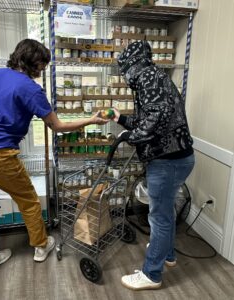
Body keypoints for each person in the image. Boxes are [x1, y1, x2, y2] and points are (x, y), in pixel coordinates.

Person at [0, 38, 108, 277]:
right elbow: (57, 126)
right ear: (35, 62)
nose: (42, 70)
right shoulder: (30, 88)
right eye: (42, 65)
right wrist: (91, 120)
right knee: (28, 199)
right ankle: (41, 246)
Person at [113, 40, 195, 290]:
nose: (124, 75)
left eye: (124, 68)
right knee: (165, 212)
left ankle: (151, 274)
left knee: (158, 217)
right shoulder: (157, 76)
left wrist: (130, 136)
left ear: (131, 64)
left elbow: (155, 118)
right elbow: (149, 115)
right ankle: (167, 254)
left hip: (166, 160)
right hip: (180, 157)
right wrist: (123, 120)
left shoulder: (146, 76)